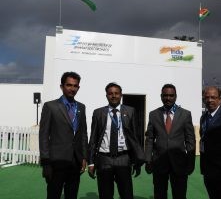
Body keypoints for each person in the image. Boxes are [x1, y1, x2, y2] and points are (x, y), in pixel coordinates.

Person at [88, 82, 145, 199]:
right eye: (110, 93)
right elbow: (93, 138)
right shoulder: (98, 113)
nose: (113, 96)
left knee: (127, 194)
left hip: (123, 158)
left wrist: (136, 161)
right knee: (105, 195)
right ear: (106, 95)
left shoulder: (130, 111)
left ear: (121, 95)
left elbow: (135, 137)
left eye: (116, 93)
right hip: (104, 159)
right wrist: (91, 162)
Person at [39, 71, 88, 199]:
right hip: (56, 161)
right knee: (53, 194)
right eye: (69, 85)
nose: (72, 88)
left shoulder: (81, 107)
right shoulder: (50, 106)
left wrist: (83, 157)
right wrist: (45, 161)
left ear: (78, 87)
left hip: (75, 161)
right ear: (62, 86)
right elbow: (43, 135)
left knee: (72, 195)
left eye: (75, 86)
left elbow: (83, 134)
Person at [144, 84, 196, 199]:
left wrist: (191, 162)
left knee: (179, 195)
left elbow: (190, 140)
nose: (168, 98)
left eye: (171, 95)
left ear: (175, 96)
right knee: (159, 195)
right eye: (165, 95)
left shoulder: (185, 114)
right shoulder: (153, 114)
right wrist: (148, 159)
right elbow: (150, 139)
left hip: (179, 164)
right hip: (159, 163)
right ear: (161, 96)